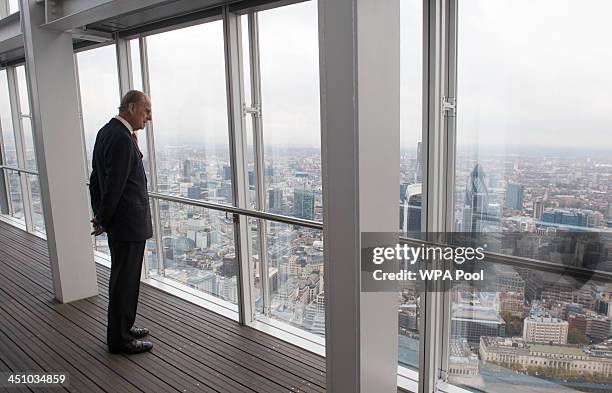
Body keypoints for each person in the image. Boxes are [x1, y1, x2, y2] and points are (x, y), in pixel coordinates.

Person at [89, 90, 154, 354]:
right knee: (124, 281)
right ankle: (120, 339)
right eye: (146, 110)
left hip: (120, 222)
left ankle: (123, 327)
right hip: (128, 224)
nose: (149, 117)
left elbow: (96, 179)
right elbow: (114, 186)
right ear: (131, 107)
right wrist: (102, 218)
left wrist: (100, 215)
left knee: (123, 279)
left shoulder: (106, 132)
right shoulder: (122, 139)